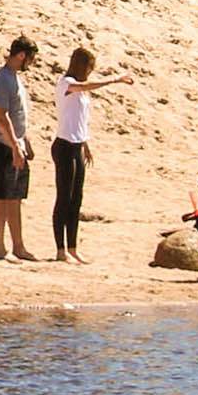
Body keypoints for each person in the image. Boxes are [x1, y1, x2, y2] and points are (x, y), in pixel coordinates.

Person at [50, 44, 137, 263]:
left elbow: (78, 119)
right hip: (63, 146)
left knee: (76, 199)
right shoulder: (67, 83)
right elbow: (84, 86)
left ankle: (73, 247)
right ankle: (61, 250)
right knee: (64, 197)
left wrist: (85, 145)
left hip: (77, 144)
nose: (89, 72)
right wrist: (114, 80)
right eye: (88, 67)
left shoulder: (81, 90)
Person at [0, 36, 36, 262]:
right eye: (30, 59)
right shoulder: (2, 80)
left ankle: (18, 246)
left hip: (17, 143)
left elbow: (18, 115)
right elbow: (1, 116)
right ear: (22, 56)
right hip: (2, 143)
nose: (31, 64)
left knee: (15, 197)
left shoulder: (15, 79)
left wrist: (25, 141)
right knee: (1, 196)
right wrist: (14, 145)